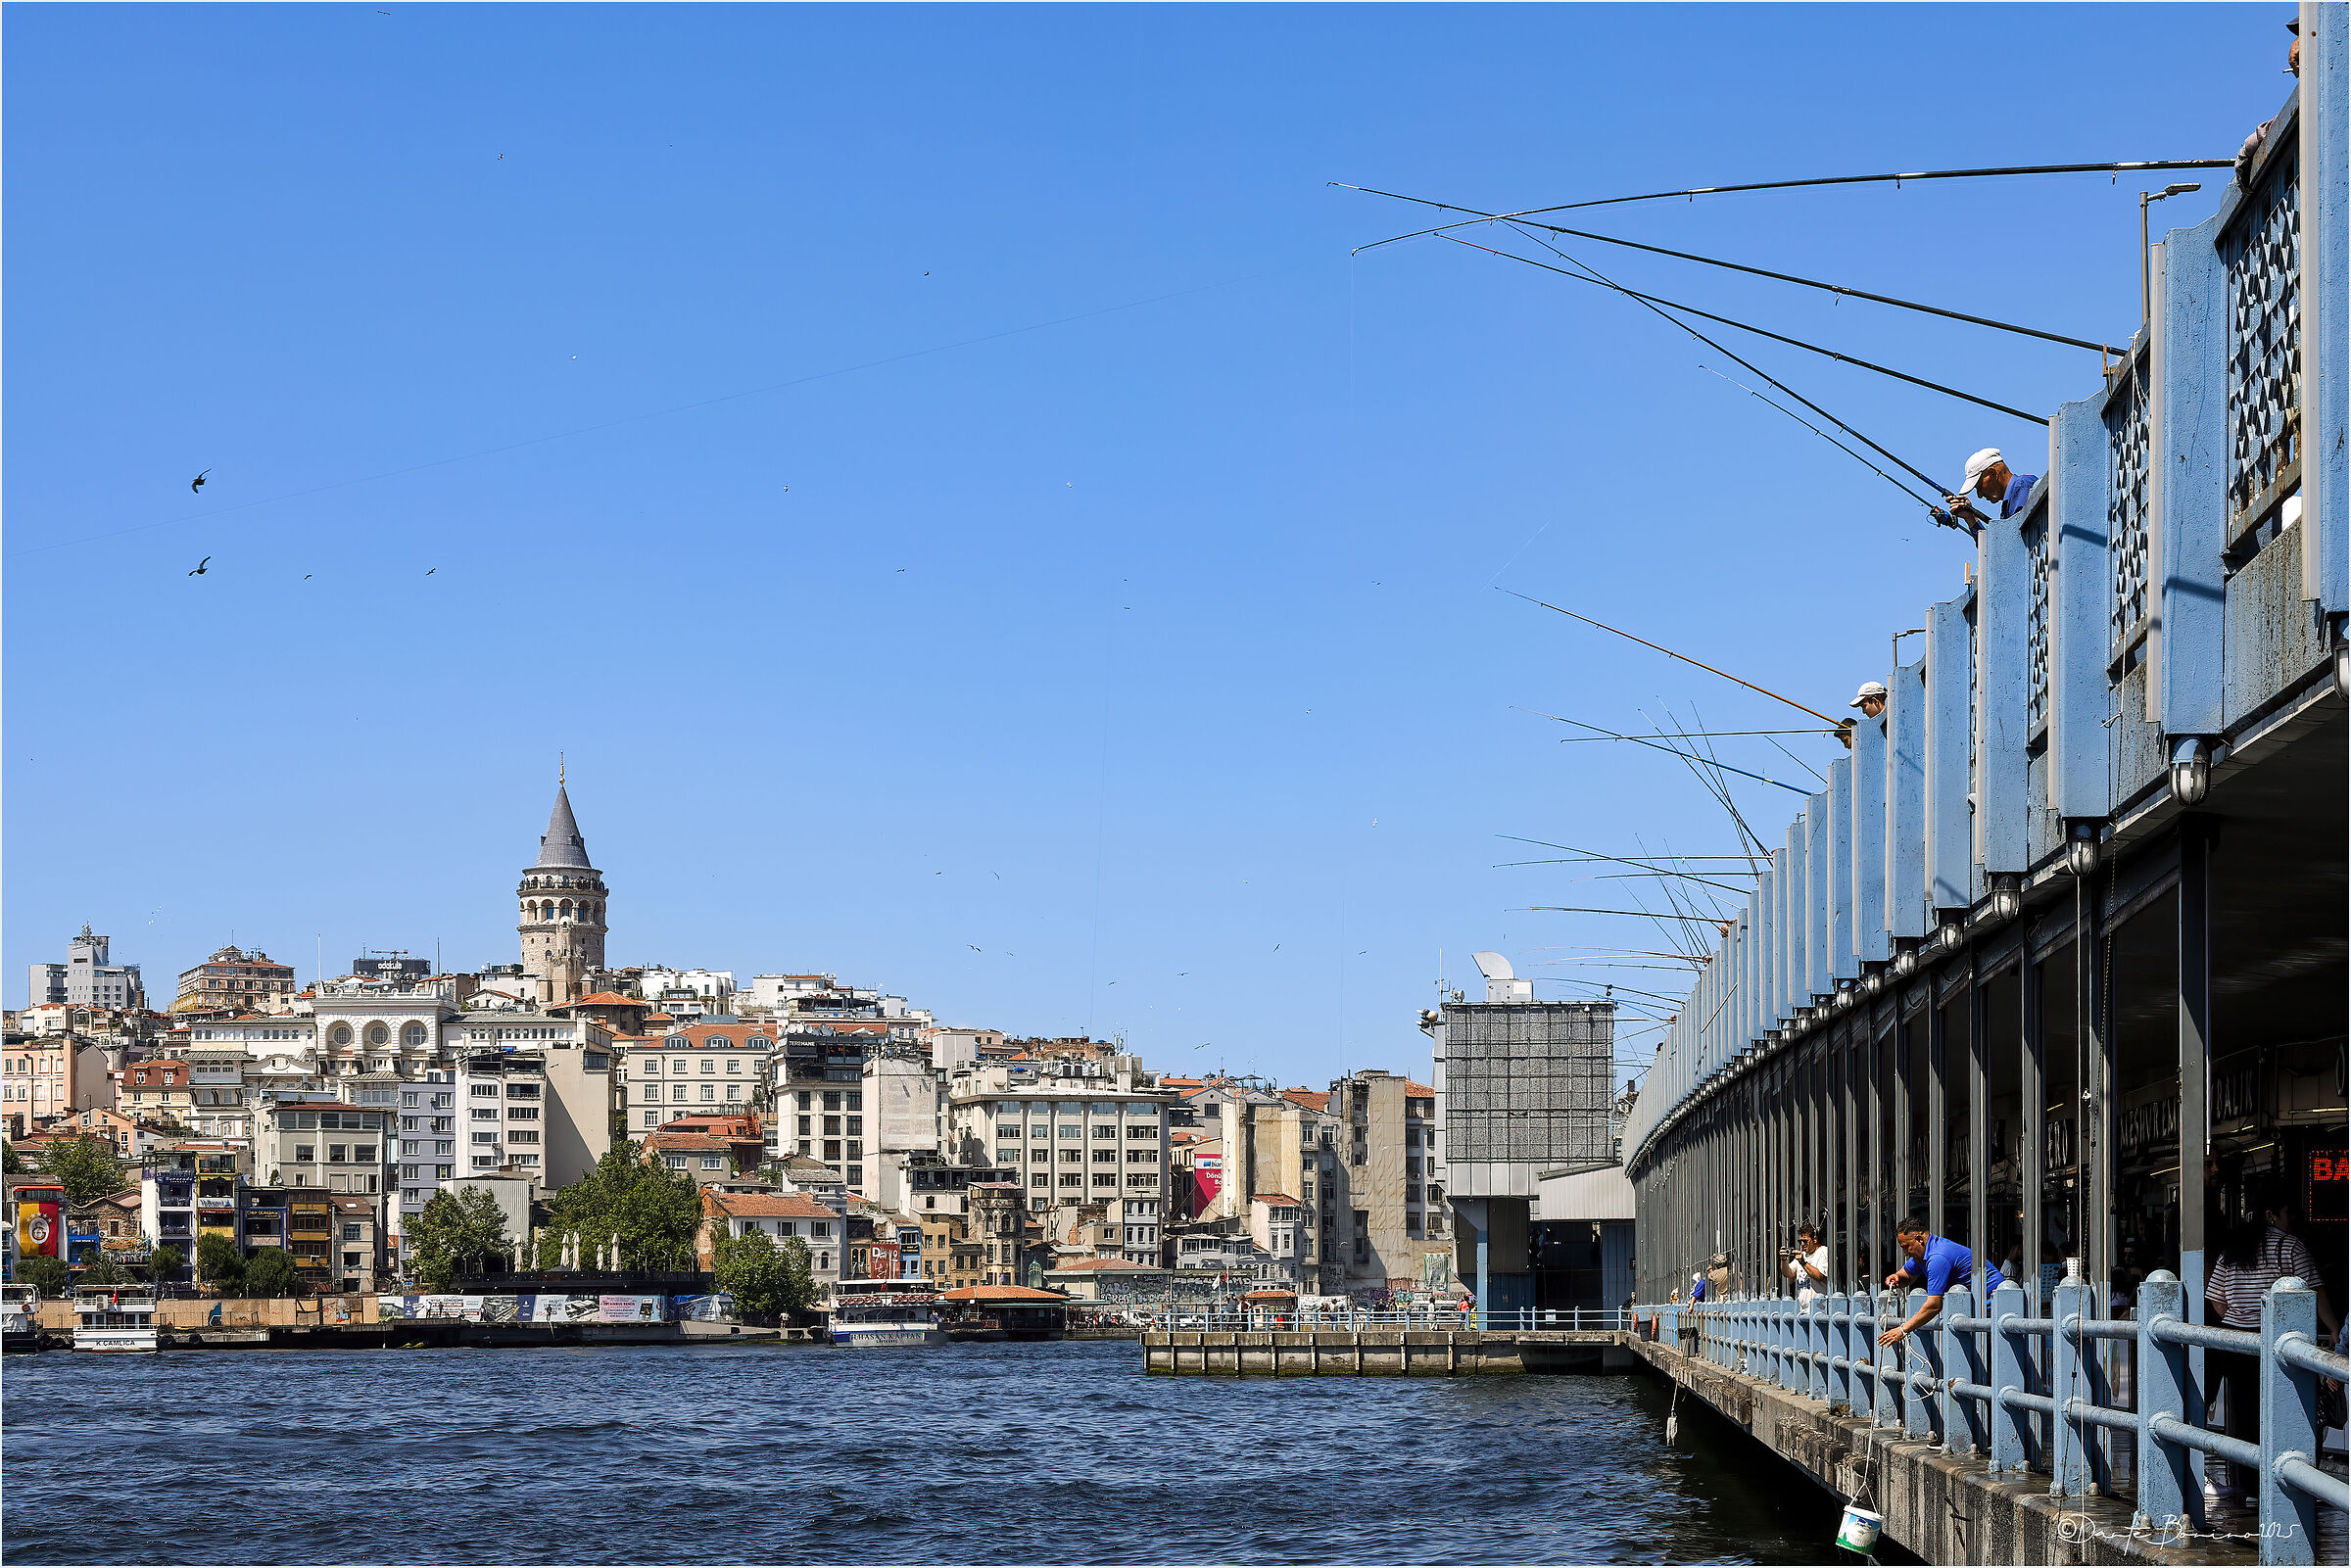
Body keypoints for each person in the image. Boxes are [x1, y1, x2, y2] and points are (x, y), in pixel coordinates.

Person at [2204, 1179, 2343, 1500]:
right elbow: (2315, 1291)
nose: (2293, 1219)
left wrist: (2242, 1311)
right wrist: (2335, 1329)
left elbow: (2217, 1301)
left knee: (2242, 1414)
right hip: (2277, 1343)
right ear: (2271, 1214)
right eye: (2288, 1213)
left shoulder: (2234, 1249)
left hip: (2236, 1343)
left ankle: (2246, 1485)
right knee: (2281, 1412)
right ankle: (2282, 1483)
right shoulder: (2291, 1246)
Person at [1876, 1215, 2005, 1347]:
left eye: (1906, 1246)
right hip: (1978, 1308)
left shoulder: (1937, 1258)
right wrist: (1897, 1277)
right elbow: (1907, 1275)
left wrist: (1902, 1330)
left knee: (1989, 1358)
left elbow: (1934, 1306)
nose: (1905, 1253)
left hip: (1994, 1308)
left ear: (1919, 1239)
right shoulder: (1924, 1253)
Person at [1943, 448, 2039, 527]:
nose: (1979, 495)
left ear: (1992, 474)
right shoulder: (2009, 503)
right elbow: (2001, 546)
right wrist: (1970, 517)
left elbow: (2014, 542)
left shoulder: (2022, 487)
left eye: (1979, 486)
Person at [1785, 1224, 1830, 1308]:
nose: (1802, 1244)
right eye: (1800, 1241)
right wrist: (1783, 1260)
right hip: (1803, 1310)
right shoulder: (1803, 1255)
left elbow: (1819, 1276)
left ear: (1815, 1239)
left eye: (1805, 1241)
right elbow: (1788, 1273)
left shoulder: (1823, 1251)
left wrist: (1803, 1263)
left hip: (1820, 1309)